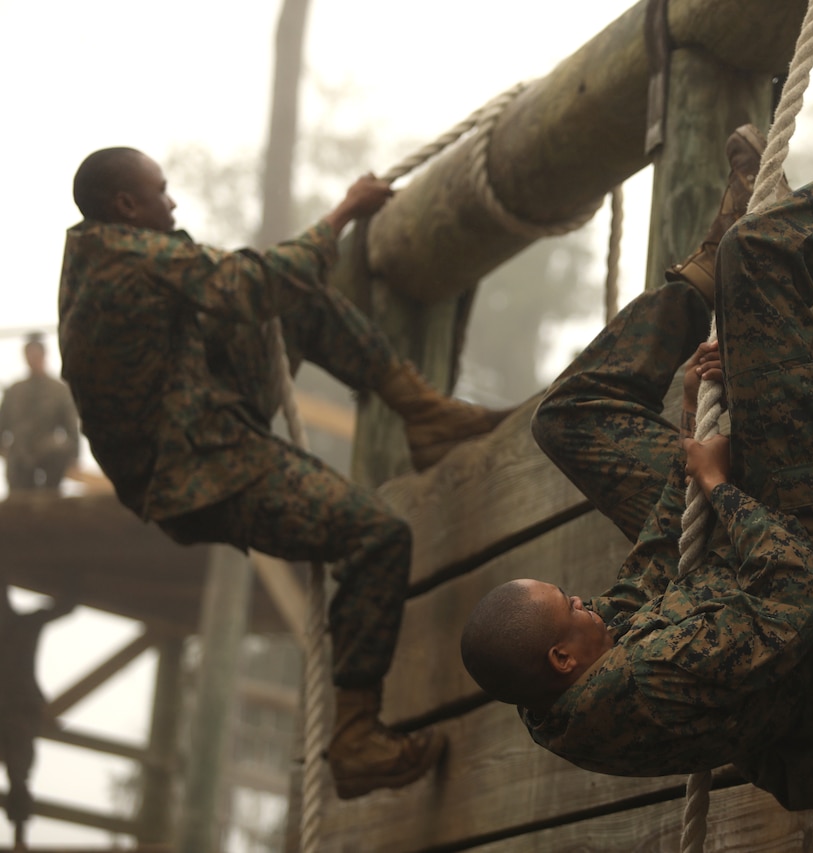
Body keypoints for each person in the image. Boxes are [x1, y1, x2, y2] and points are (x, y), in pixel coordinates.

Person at [461, 11, 813, 811]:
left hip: (739, 567)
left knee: (568, 419)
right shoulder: (645, 679)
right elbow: (794, 592)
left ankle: (703, 273)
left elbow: (651, 578)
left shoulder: (561, 683)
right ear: (562, 655)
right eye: (573, 607)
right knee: (757, 261)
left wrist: (696, 430)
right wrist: (724, 489)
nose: (587, 600)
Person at [58, 148, 509, 798]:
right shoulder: (128, 256)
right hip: (198, 467)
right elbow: (247, 283)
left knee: (295, 295)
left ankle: (423, 412)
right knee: (377, 534)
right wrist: (344, 213)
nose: (172, 203)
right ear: (127, 205)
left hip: (198, 419)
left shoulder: (97, 253)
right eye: (161, 192)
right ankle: (355, 733)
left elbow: (260, 285)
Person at [0, 584, 75, 845]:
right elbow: (67, 607)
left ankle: (20, 838)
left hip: (19, 711)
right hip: (21, 712)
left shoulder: (25, 625)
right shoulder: (27, 624)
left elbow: (66, 607)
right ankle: (20, 837)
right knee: (19, 776)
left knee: (19, 776)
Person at [0, 334, 80, 493]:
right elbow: (2, 425)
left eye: (36, 355)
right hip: (20, 457)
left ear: (43, 356)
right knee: (20, 498)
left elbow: (71, 428)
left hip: (49, 454)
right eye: (29, 355)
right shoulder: (15, 392)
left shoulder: (58, 391)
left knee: (55, 458)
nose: (33, 359)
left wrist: (73, 456)